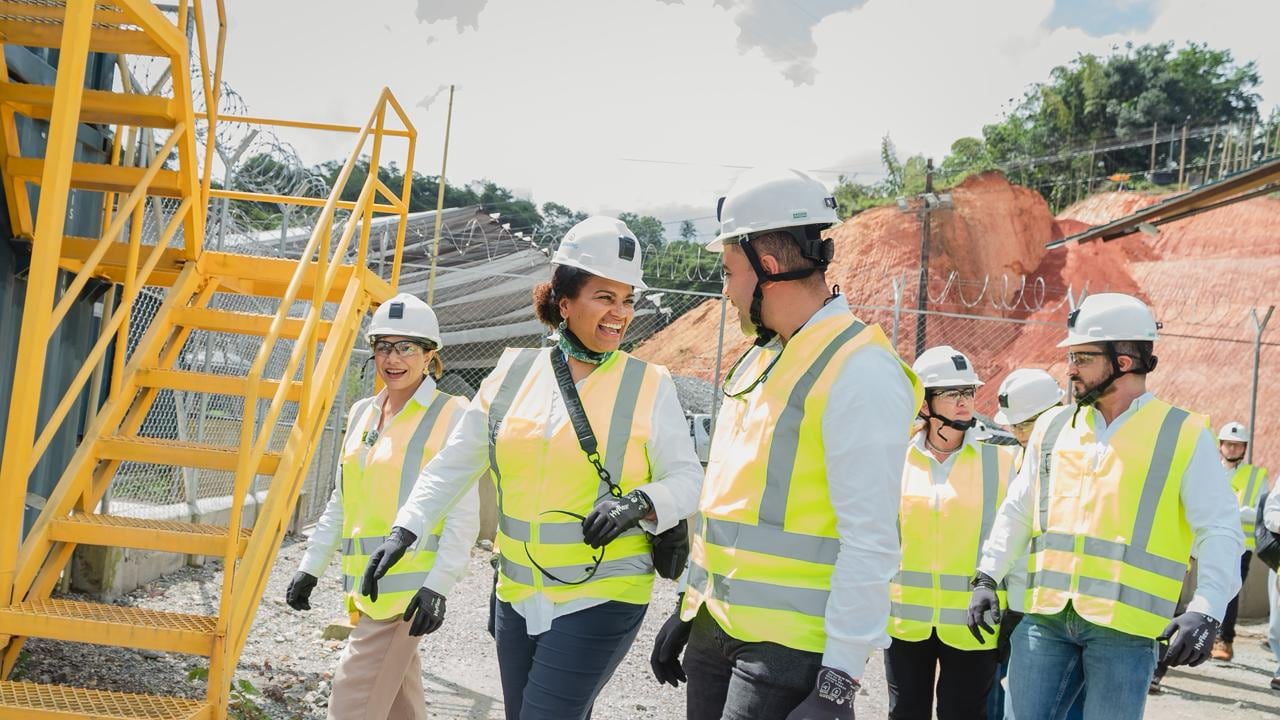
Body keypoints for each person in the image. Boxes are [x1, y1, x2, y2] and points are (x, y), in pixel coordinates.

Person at [362, 216, 704, 720]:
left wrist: (641, 503)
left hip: (604, 591)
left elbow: (688, 480)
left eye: (627, 299)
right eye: (605, 297)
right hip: (516, 593)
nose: (620, 313)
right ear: (564, 302)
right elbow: (452, 466)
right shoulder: (510, 373)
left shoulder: (650, 383)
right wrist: (405, 529)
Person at [648, 168, 922, 720]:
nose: (724, 289)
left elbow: (871, 541)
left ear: (767, 266)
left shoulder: (860, 371)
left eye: (728, 271)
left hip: (790, 651)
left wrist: (839, 682)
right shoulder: (763, 357)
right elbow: (730, 501)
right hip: (716, 626)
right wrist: (689, 606)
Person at [967, 292, 1244, 719]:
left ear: (1124, 361)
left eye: (1082, 357)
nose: (1070, 369)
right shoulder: (1054, 425)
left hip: (1127, 631)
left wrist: (1206, 610)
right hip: (1046, 617)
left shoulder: (1183, 433)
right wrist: (988, 574)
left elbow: (1220, 529)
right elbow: (1019, 506)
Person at [285, 293, 479, 720]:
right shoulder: (361, 413)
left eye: (407, 346)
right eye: (383, 346)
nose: (393, 358)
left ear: (430, 355)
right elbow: (342, 497)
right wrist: (310, 567)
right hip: (366, 590)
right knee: (397, 706)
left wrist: (439, 586)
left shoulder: (454, 414)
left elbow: (464, 512)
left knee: (351, 704)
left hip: (407, 594)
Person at [886, 346, 1016, 720]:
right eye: (952, 393)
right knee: (905, 713)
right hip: (905, 622)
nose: (965, 402)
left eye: (969, 392)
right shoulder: (895, 457)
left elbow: (1017, 537)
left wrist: (1015, 608)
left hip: (973, 624)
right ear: (924, 403)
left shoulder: (1002, 459)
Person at [986, 368, 1080, 720]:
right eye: (1013, 427)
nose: (1016, 434)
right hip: (1024, 609)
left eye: (1022, 426)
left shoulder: (1074, 460)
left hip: (1061, 611)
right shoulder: (1018, 457)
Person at [1212, 421, 1268, 661]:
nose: (1233, 449)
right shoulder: (1209, 471)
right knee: (1207, 590)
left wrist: (1230, 509)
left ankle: (1225, 640)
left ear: (1244, 449)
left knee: (1230, 590)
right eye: (1229, 445)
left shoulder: (1257, 476)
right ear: (1221, 446)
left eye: (1238, 446)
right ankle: (1205, 637)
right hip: (1208, 541)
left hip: (1239, 545)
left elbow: (1259, 511)